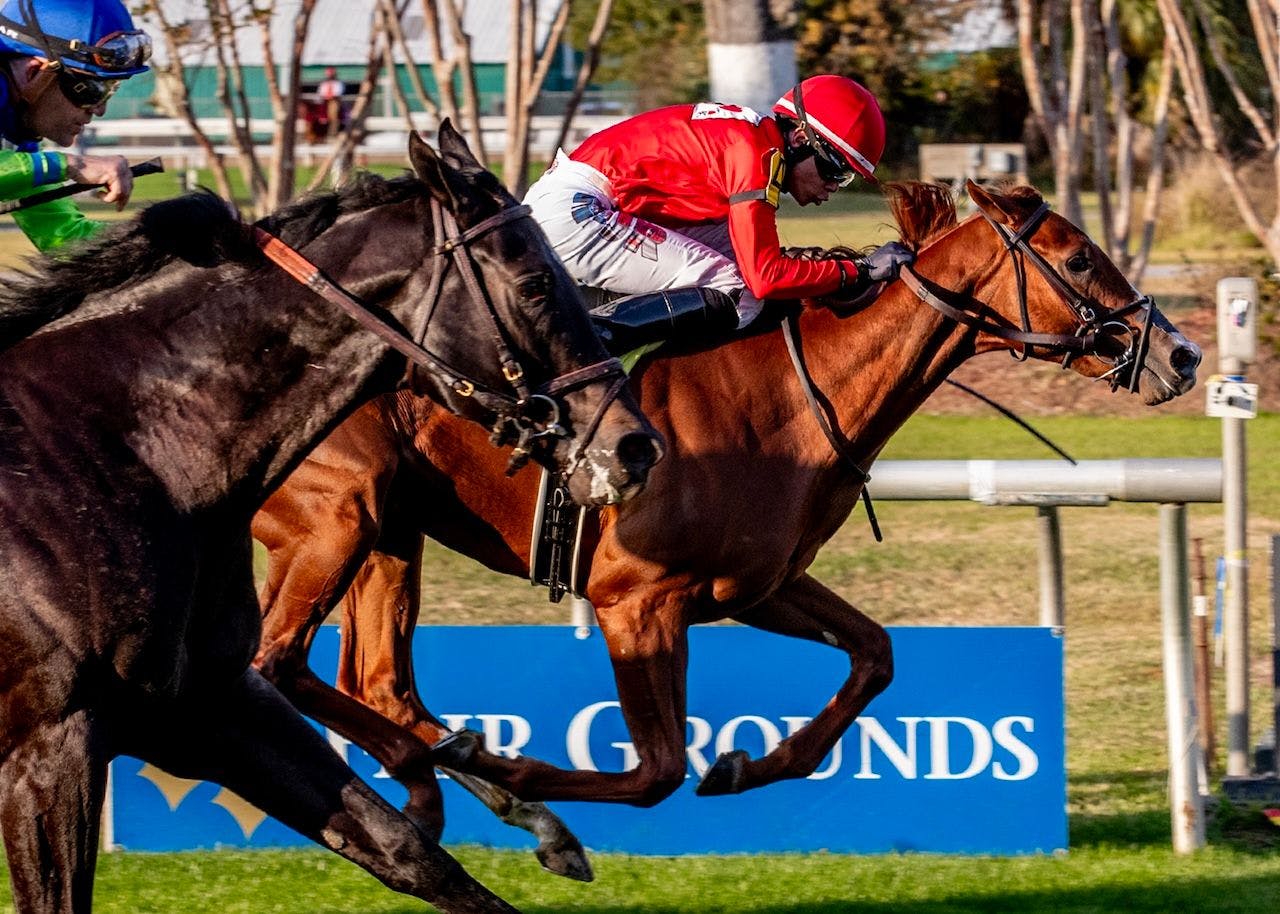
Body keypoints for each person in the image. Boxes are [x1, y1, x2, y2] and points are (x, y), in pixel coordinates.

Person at [523, 74, 916, 353]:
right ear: (800, 138)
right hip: (577, 210)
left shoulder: (756, 142)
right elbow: (765, 279)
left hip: (574, 204)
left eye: (845, 179)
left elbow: (761, 264)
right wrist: (862, 270)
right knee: (737, 291)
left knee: (733, 269)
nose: (833, 186)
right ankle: (581, 349)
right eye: (835, 170)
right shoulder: (757, 155)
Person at [0, 0, 150, 252]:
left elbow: (67, 241)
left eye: (110, 92)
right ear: (34, 74)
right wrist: (72, 164)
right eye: (92, 90)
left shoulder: (17, 136)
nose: (99, 110)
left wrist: (166, 238)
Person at [317, 66, 346, 139]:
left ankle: (332, 134)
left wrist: (330, 96)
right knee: (322, 118)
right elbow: (320, 92)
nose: (329, 75)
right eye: (328, 73)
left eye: (331, 73)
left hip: (334, 101)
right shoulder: (324, 83)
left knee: (333, 117)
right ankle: (321, 135)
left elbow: (338, 93)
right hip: (324, 101)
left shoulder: (338, 83)